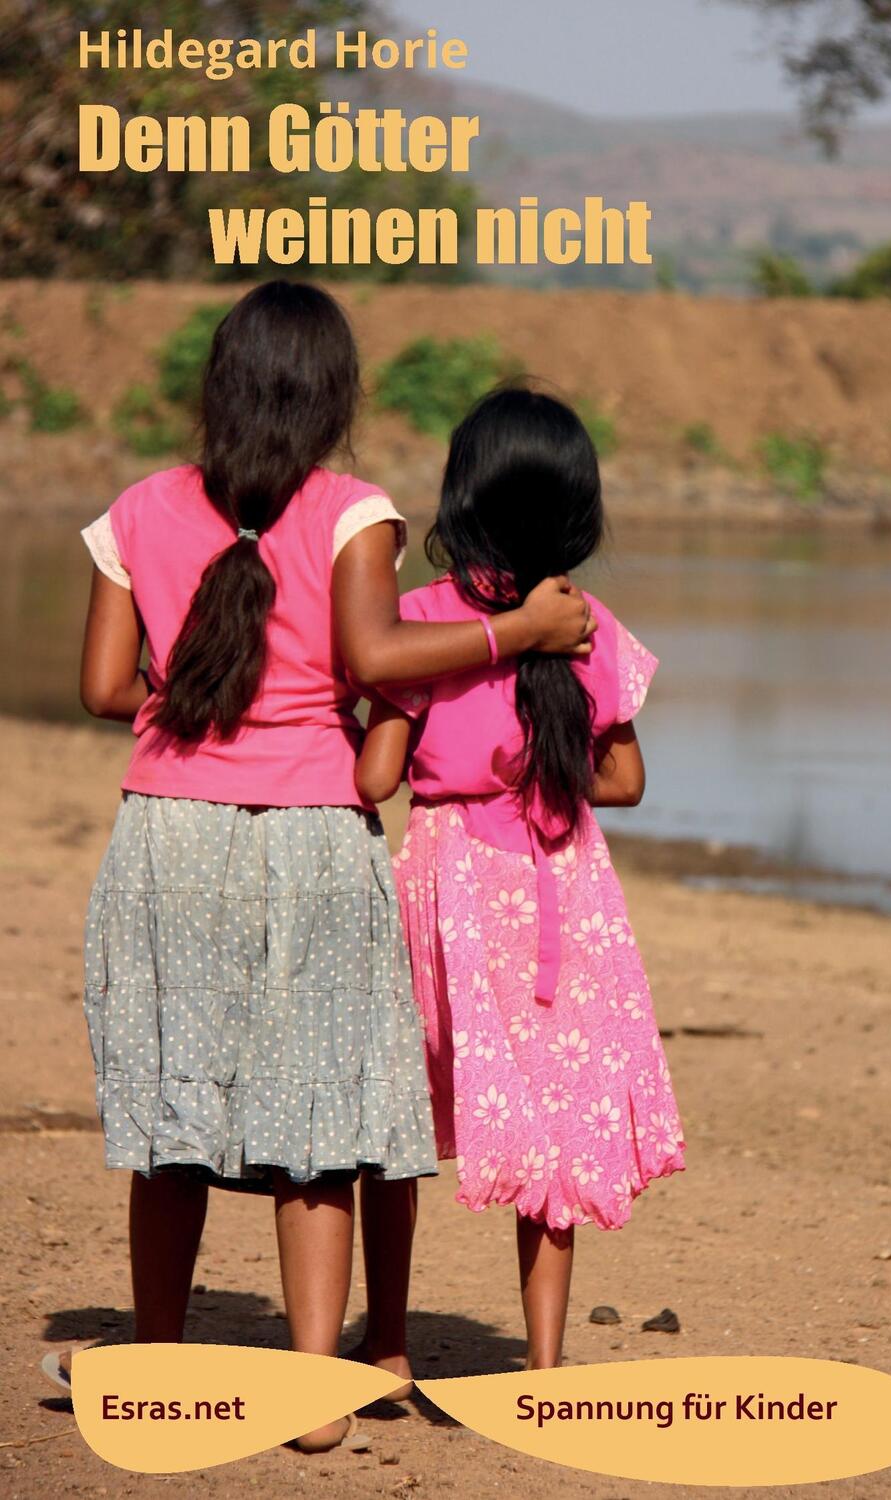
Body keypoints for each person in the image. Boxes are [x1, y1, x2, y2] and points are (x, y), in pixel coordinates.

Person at [46, 286, 593, 1452]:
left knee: (172, 1118)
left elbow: (101, 690)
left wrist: (190, 692)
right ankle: (312, 1395)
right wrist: (521, 634)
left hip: (164, 837)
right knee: (319, 1121)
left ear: (219, 386)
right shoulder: (354, 512)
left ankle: (156, 1359)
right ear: (334, 395)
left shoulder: (135, 508)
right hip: (306, 837)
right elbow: (374, 653)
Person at [353, 388, 685, 1383]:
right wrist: (543, 767)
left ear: (461, 498)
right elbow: (624, 780)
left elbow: (376, 778)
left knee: (401, 1121)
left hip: (449, 885)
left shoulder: (417, 620)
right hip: (564, 890)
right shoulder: (589, 625)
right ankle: (541, 1365)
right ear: (576, 513)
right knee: (560, 1122)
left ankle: (386, 1349)